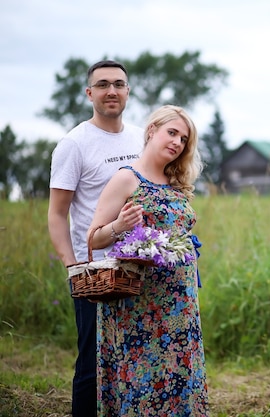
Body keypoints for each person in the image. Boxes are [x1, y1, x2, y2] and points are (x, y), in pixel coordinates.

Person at [87, 105, 210, 416]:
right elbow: (94, 238)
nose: (177, 143)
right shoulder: (127, 179)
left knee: (179, 373)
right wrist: (120, 226)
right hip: (140, 301)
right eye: (172, 133)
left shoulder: (177, 185)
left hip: (180, 300)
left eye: (183, 139)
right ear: (152, 130)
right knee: (143, 375)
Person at [48, 60, 144, 416]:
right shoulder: (74, 144)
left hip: (140, 265)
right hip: (95, 272)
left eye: (119, 84)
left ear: (128, 91)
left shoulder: (141, 137)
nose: (112, 91)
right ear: (89, 93)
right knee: (92, 361)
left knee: (135, 354)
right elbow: (58, 213)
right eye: (102, 85)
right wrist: (73, 265)